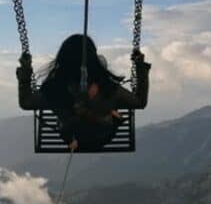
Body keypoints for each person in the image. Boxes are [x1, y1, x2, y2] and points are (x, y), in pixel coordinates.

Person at [17, 33, 150, 151]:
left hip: (71, 139)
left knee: (68, 118)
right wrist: (140, 68)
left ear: (62, 58)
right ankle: (108, 115)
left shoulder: (54, 89)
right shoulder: (108, 87)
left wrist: (25, 71)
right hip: (102, 138)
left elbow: (26, 102)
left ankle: (77, 119)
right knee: (105, 114)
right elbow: (139, 102)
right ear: (94, 58)